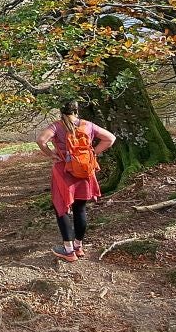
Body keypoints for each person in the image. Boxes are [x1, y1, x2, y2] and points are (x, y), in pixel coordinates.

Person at [36, 99, 116, 262]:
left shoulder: (57, 126)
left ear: (61, 112)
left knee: (62, 208)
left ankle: (68, 250)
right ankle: (78, 247)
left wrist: (51, 154)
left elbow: (41, 140)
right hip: (84, 170)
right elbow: (110, 138)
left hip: (63, 171)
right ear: (77, 111)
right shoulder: (88, 125)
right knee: (80, 209)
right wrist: (93, 152)